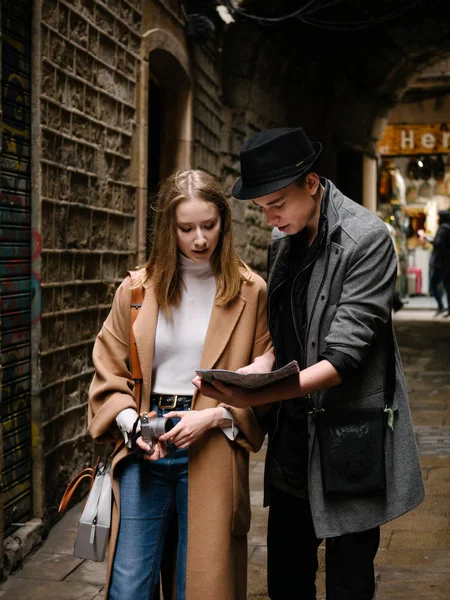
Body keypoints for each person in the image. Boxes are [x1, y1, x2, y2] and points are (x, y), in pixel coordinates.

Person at [194, 128, 425, 600]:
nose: (271, 218)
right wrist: (256, 368)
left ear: (313, 183)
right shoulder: (283, 242)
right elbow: (285, 338)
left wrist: (252, 395)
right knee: (287, 582)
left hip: (349, 444)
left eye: (278, 203)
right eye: (261, 208)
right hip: (292, 446)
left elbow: (342, 358)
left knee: (348, 584)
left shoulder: (367, 238)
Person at [88, 169, 272, 600]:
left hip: (210, 447)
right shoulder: (136, 290)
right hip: (145, 446)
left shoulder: (251, 292)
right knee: (129, 586)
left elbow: (265, 387)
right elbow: (108, 369)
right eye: (186, 228)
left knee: (203, 587)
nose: (199, 239)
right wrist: (132, 423)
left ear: (223, 221)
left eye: (209, 225)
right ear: (167, 227)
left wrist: (211, 417)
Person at [425, 210, 450, 316]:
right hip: (447, 263)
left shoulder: (442, 230)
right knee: (447, 286)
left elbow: (437, 243)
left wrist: (428, 238)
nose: (437, 218)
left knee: (432, 284)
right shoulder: (448, 228)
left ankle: (441, 306)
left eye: (438, 216)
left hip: (440, 263)